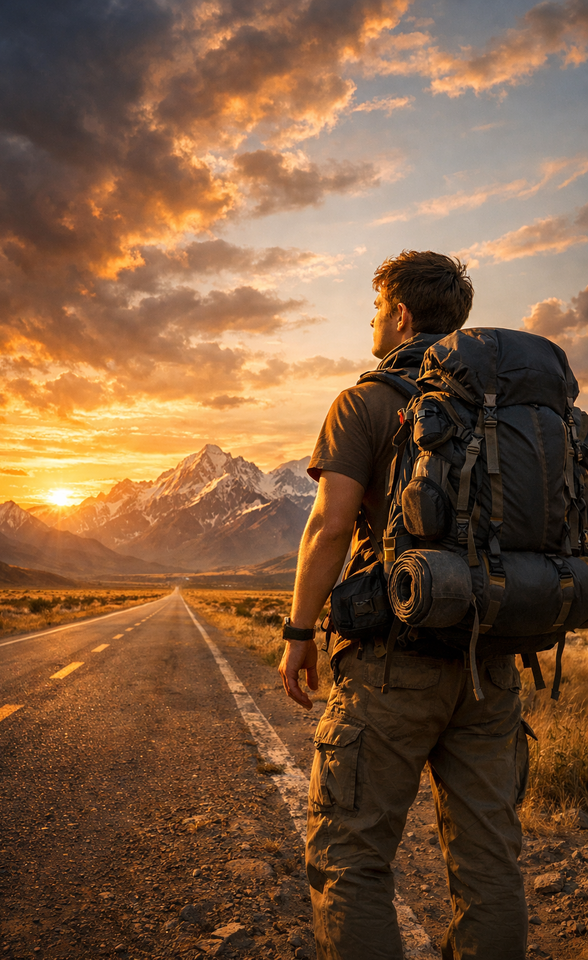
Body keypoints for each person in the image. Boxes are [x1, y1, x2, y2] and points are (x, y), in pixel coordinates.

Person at [279, 251, 528, 960]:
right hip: (490, 662)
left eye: (376, 308)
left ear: (401, 313)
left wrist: (299, 631)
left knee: (350, 857)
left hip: (393, 662)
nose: (371, 321)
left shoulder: (364, 402)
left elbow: (330, 526)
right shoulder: (506, 409)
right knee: (489, 864)